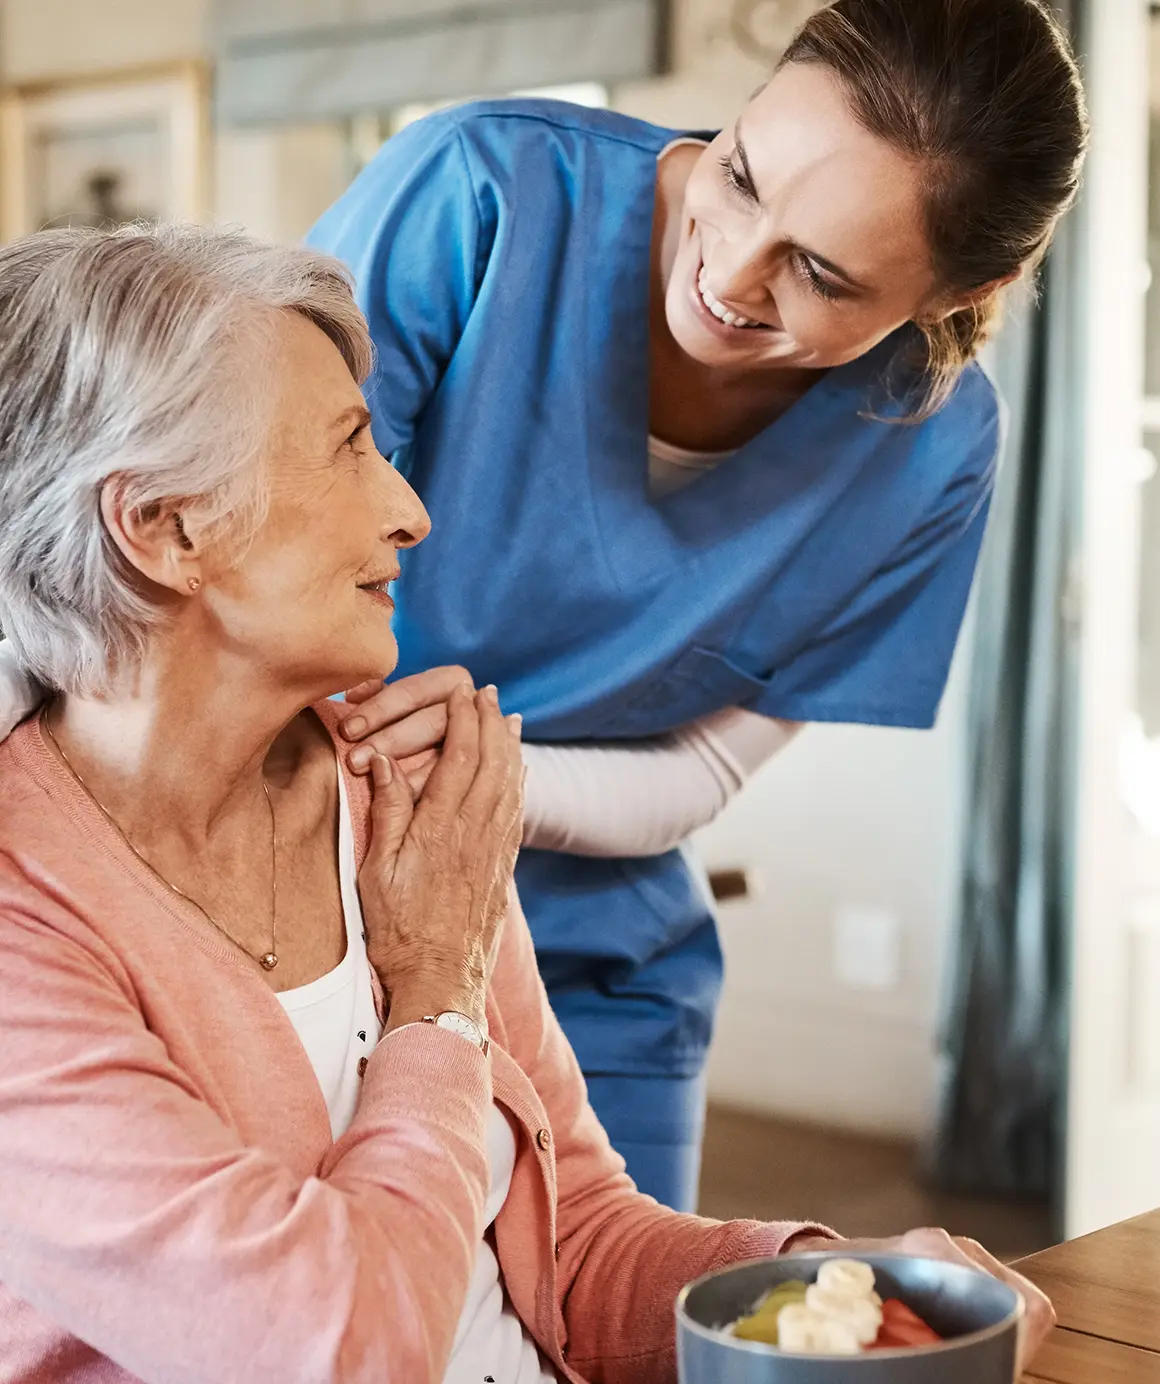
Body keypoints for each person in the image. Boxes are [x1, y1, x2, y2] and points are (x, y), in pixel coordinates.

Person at [0, 222, 1056, 1383]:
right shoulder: (27, 929)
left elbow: (578, 1246)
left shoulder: (405, 803)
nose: (409, 509)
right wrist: (437, 994)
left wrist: (839, 1293)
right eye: (348, 447)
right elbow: (335, 1347)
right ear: (162, 528)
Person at [294, 0, 1092, 1209]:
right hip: (295, 907)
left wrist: (484, 780)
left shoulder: (933, 451)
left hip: (590, 958)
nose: (727, 269)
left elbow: (697, 776)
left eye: (819, 273)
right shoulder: (479, 193)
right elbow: (248, 554)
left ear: (959, 288)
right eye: (737, 172)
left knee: (615, 1318)